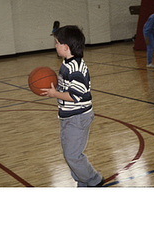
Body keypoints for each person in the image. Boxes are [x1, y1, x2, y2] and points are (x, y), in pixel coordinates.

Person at [40, 25, 105, 187]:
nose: (55, 46)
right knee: (70, 154)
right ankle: (82, 183)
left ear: (66, 47)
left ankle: (94, 180)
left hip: (78, 117)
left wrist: (55, 94)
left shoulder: (76, 68)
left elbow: (74, 96)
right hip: (68, 116)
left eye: (56, 43)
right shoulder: (67, 63)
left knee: (73, 155)